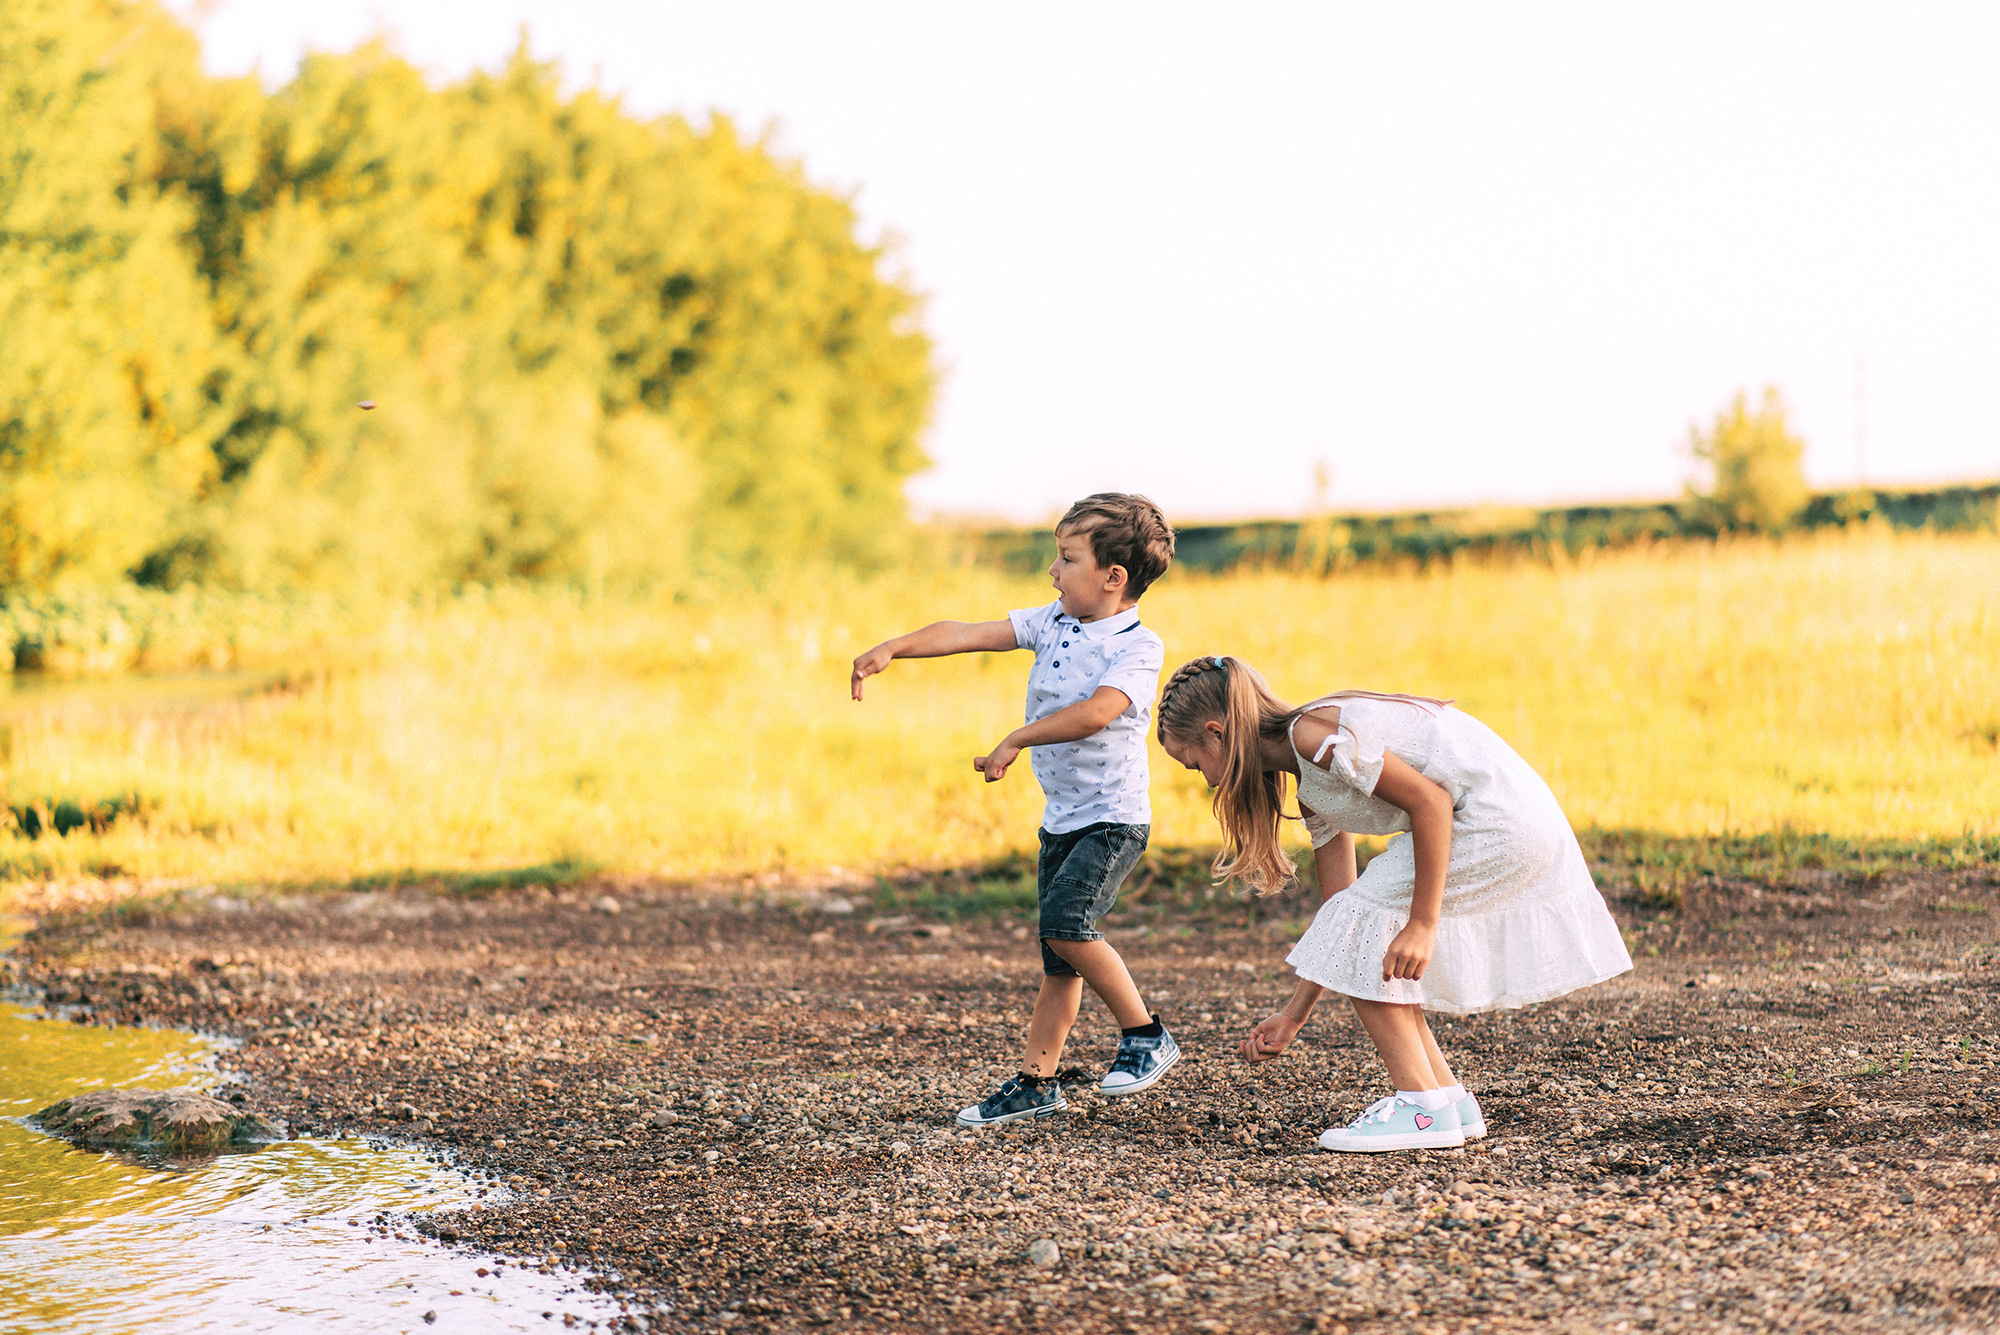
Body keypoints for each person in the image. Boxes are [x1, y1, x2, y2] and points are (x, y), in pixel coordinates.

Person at [1154, 656, 1631, 1152]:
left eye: (1195, 764)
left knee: (1367, 926)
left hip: (1495, 824)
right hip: (1509, 824)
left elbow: (1432, 803)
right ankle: (1447, 1100)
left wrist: (1422, 924)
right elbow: (1341, 923)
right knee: (1365, 930)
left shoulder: (1313, 738)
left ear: (1216, 733)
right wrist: (1294, 1016)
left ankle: (1422, 1108)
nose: (1207, 781)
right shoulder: (1310, 777)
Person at [851, 494, 1181, 1126]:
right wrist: (895, 647)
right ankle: (1037, 1083)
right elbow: (967, 633)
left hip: (1112, 819)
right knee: (1060, 958)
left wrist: (1017, 738)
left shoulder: (1138, 647)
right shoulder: (1052, 620)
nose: (1052, 572)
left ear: (1113, 578)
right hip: (1063, 820)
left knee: (1066, 922)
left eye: (1067, 559)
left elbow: (1098, 713)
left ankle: (1145, 1035)